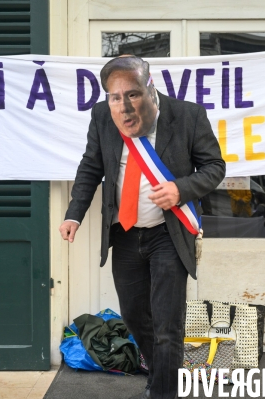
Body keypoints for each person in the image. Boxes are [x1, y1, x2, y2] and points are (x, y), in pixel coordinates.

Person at [59, 55, 225, 399]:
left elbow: (214, 167)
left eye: (132, 95)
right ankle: (163, 373)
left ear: (150, 87)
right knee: (135, 317)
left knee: (168, 325)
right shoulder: (103, 116)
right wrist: (74, 213)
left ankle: (164, 391)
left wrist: (181, 189)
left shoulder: (188, 116)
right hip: (124, 233)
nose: (123, 104)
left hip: (168, 233)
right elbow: (91, 166)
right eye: (115, 97)